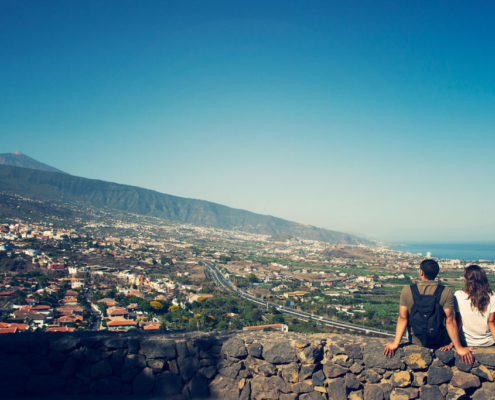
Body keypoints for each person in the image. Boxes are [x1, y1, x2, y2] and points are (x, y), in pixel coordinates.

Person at [383, 259, 473, 363]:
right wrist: (458, 347)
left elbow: (403, 318)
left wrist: (395, 343)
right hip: (438, 339)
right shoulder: (445, 291)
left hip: (415, 339)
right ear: (436, 273)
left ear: (421, 272)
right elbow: (450, 320)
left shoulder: (407, 290)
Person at [440, 265, 495, 349]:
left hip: (465, 341)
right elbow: (491, 322)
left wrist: (452, 343)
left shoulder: (458, 295)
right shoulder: (492, 296)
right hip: (487, 342)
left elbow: (458, 321)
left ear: (467, 279)